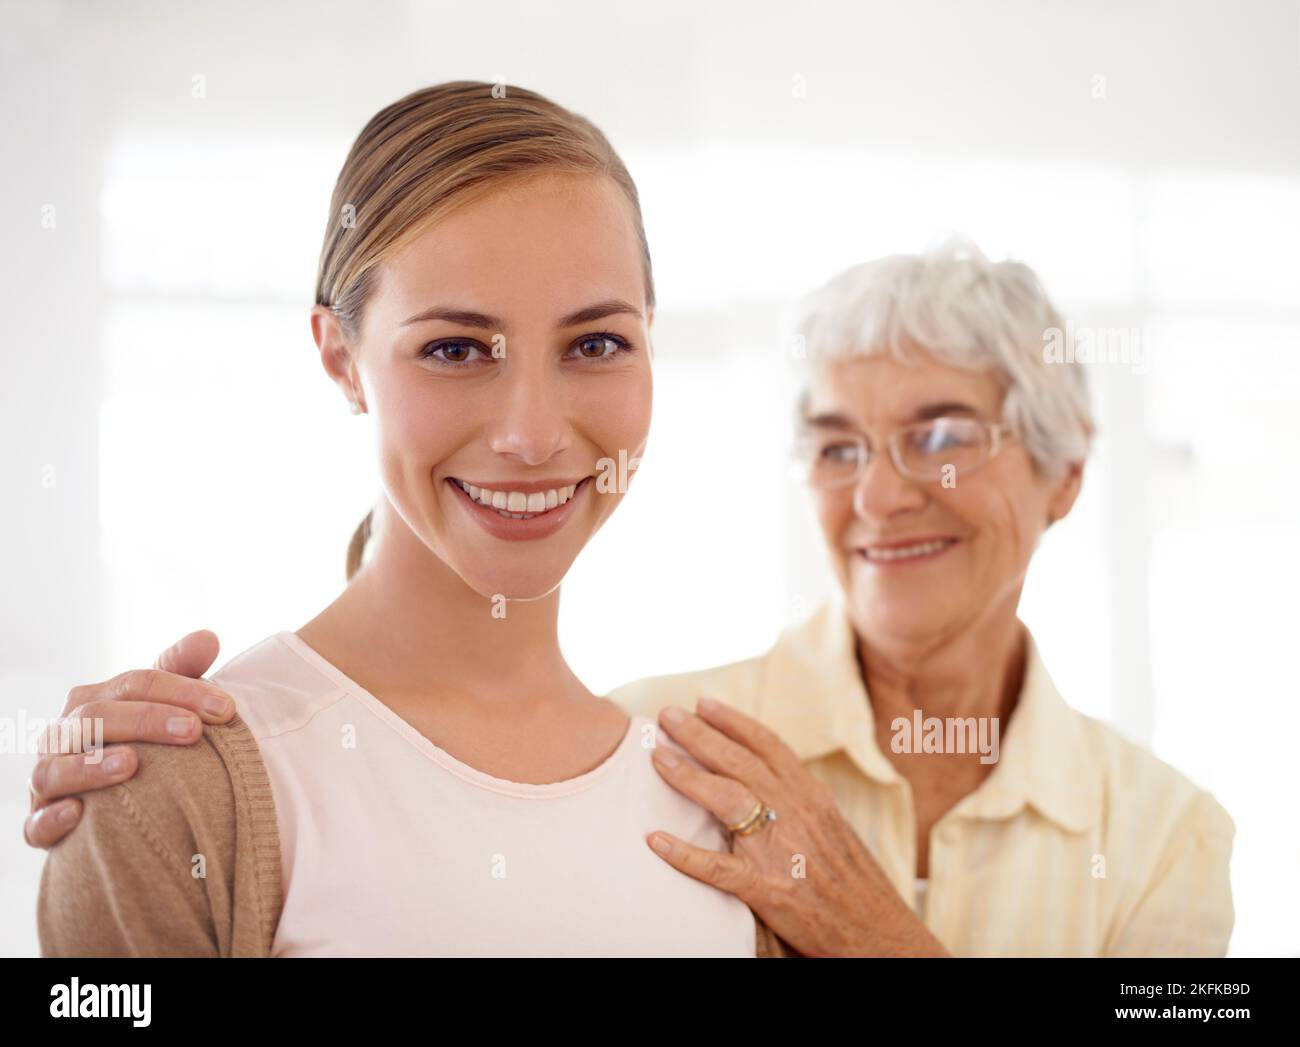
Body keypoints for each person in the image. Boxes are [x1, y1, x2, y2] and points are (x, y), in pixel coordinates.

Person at [32, 79, 787, 958]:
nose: (532, 435)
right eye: (455, 349)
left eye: (595, 344)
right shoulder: (176, 792)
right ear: (341, 359)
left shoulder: (727, 807)